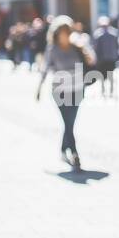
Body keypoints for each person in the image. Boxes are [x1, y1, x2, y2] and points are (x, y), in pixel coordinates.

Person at [36, 15, 93, 171]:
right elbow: (45, 68)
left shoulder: (77, 46)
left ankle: (63, 150)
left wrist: (85, 51)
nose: (66, 35)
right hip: (60, 91)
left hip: (77, 89)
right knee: (68, 123)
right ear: (56, 33)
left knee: (70, 123)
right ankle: (74, 154)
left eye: (68, 32)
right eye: (62, 32)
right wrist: (39, 88)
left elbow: (90, 61)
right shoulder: (52, 49)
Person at [91, 17, 119, 97]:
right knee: (109, 75)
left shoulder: (98, 34)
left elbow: (95, 47)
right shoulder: (114, 33)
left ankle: (105, 90)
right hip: (110, 58)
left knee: (103, 75)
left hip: (103, 58)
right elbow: (117, 46)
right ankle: (109, 90)